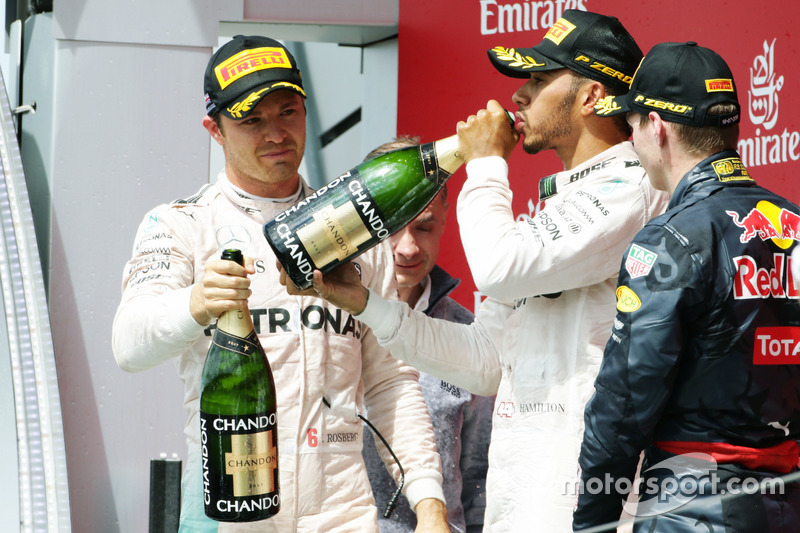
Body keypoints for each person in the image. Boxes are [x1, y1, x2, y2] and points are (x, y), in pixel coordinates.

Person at [279, 10, 670, 531]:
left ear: (592, 96)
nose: (519, 97)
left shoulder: (629, 185)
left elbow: (496, 268)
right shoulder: (566, 201)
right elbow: (487, 361)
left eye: (537, 80)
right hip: (527, 497)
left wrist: (484, 161)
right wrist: (366, 304)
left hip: (587, 497)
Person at [111, 35, 450, 532]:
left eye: (288, 112)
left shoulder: (353, 231)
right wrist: (196, 304)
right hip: (227, 513)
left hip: (342, 511)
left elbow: (390, 381)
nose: (275, 132)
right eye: (252, 120)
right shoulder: (180, 224)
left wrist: (429, 502)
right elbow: (128, 345)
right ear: (215, 129)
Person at [573, 42, 800, 532]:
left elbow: (625, 401)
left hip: (695, 509)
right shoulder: (796, 225)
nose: (631, 142)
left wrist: (594, 521)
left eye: (631, 126)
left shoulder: (671, 239)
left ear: (656, 126)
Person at [360, 139, 494, 533]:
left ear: (445, 219)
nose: (407, 247)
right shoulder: (325, 323)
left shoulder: (469, 334)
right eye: (391, 228)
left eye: (424, 226)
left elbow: (477, 477)